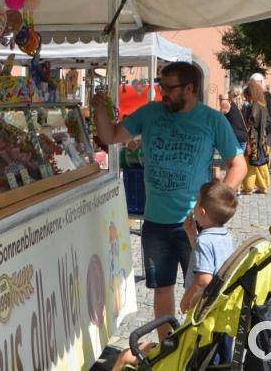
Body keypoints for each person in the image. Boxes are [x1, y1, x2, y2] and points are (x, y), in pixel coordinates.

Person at [92, 61, 246, 341]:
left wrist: (216, 202)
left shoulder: (212, 120)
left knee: (201, 288)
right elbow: (110, 135)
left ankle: (199, 347)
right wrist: (100, 109)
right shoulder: (151, 113)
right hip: (155, 222)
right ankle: (168, 348)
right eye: (160, 85)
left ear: (189, 88)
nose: (162, 93)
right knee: (162, 288)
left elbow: (238, 165)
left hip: (195, 226)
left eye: (168, 87)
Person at [180, 181, 237, 364]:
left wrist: (187, 299)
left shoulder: (204, 242)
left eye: (197, 203)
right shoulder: (225, 236)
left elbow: (204, 279)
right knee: (223, 354)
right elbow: (210, 262)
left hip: (205, 308)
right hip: (222, 307)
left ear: (202, 212)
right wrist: (192, 234)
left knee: (205, 356)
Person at [240, 83, 271, 194]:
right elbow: (267, 120)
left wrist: (246, 128)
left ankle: (248, 187)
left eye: (247, 96)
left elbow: (252, 119)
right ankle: (263, 186)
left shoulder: (255, 105)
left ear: (251, 94)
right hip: (261, 137)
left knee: (251, 163)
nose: (246, 98)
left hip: (253, 137)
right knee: (260, 161)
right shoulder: (262, 104)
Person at [249, 73, 271, 151]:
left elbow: (270, 113)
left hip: (266, 127)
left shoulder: (266, 95)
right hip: (258, 127)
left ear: (261, 83)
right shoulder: (253, 96)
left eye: (256, 83)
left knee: (266, 151)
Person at [219, 87, 247, 153]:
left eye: (229, 92)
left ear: (231, 94)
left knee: (232, 162)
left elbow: (218, 119)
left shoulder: (228, 105)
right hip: (243, 137)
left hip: (233, 137)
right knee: (240, 161)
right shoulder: (245, 106)